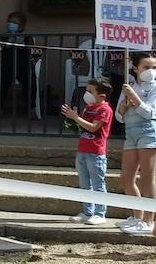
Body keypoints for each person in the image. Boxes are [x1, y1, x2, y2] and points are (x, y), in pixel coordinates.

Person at [61, 78, 113, 225]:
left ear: (102, 95)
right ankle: (87, 211)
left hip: (96, 152)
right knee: (84, 184)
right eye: (87, 90)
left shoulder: (105, 110)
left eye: (91, 91)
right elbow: (81, 127)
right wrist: (71, 119)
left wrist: (76, 117)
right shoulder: (88, 108)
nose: (87, 94)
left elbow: (93, 127)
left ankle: (100, 213)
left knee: (98, 184)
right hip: (82, 150)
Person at [118, 53, 156, 236]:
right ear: (135, 68)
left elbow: (150, 113)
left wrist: (136, 98)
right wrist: (123, 107)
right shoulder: (128, 86)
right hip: (131, 134)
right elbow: (119, 117)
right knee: (126, 178)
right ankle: (137, 216)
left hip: (148, 133)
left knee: (147, 178)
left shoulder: (155, 87)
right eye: (146, 67)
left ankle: (149, 220)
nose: (151, 71)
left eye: (154, 68)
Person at [0, 11, 38, 120]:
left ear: (22, 26)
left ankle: (31, 108)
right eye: (10, 22)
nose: (12, 24)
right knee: (2, 83)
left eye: (15, 22)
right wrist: (8, 43)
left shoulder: (27, 37)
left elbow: (31, 51)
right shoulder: (4, 36)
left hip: (23, 67)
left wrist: (22, 45)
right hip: (7, 66)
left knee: (31, 81)